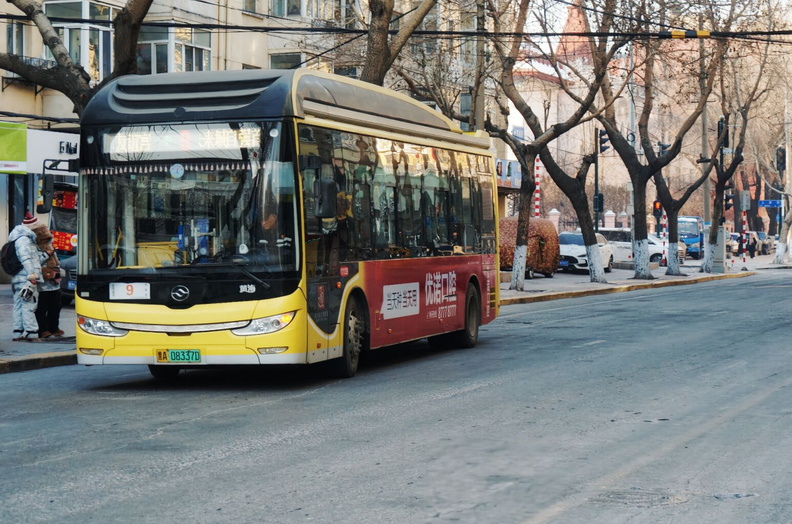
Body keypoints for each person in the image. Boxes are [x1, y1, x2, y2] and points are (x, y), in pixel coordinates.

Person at [9, 212, 45, 341]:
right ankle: (31, 332)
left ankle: (17, 332)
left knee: (19, 304)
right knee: (29, 304)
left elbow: (33, 259)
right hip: (26, 278)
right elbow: (26, 259)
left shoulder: (18, 238)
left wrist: (46, 256)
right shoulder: (24, 240)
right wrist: (32, 275)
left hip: (19, 278)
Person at [34, 223, 63, 338]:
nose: (47, 240)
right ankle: (43, 329)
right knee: (42, 307)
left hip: (54, 282)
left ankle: (54, 327)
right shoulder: (34, 248)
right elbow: (36, 263)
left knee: (56, 306)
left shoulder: (50, 245)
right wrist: (46, 255)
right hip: (43, 283)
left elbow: (57, 261)